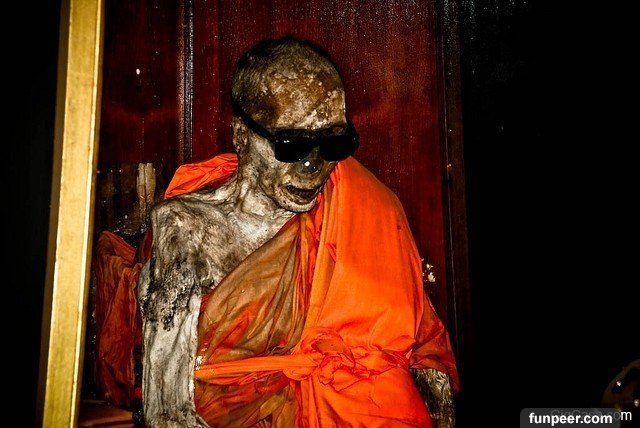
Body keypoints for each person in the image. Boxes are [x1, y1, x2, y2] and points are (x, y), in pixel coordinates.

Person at [94, 37, 458, 427]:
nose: (313, 167)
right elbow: (167, 412)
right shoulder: (187, 229)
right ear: (241, 135)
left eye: (335, 142)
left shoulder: (364, 211)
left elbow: (423, 349)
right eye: (292, 145)